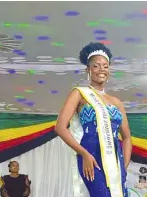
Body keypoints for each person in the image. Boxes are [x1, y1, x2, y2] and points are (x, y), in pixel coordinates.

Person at [55, 42, 132, 197]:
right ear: (88, 70)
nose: (101, 70)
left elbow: (127, 137)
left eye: (105, 66)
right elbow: (60, 128)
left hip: (115, 158)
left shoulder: (116, 102)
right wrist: (83, 154)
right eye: (96, 66)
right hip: (90, 156)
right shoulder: (79, 94)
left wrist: (124, 165)